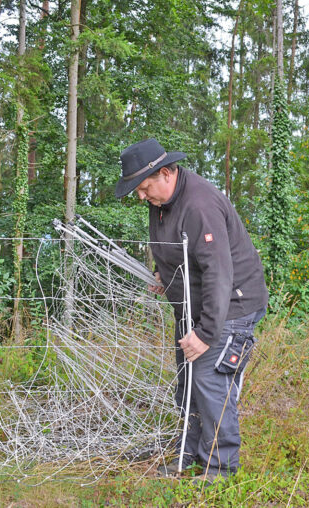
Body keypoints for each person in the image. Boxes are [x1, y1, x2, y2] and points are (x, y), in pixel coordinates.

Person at [115, 138, 268, 479]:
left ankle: (220, 471)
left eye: (144, 187)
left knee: (210, 383)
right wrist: (163, 274)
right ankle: (190, 457)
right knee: (188, 384)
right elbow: (176, 251)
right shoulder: (161, 202)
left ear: (166, 173)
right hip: (190, 306)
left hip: (230, 307)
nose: (142, 196)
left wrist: (206, 333)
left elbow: (218, 273)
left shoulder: (199, 205)